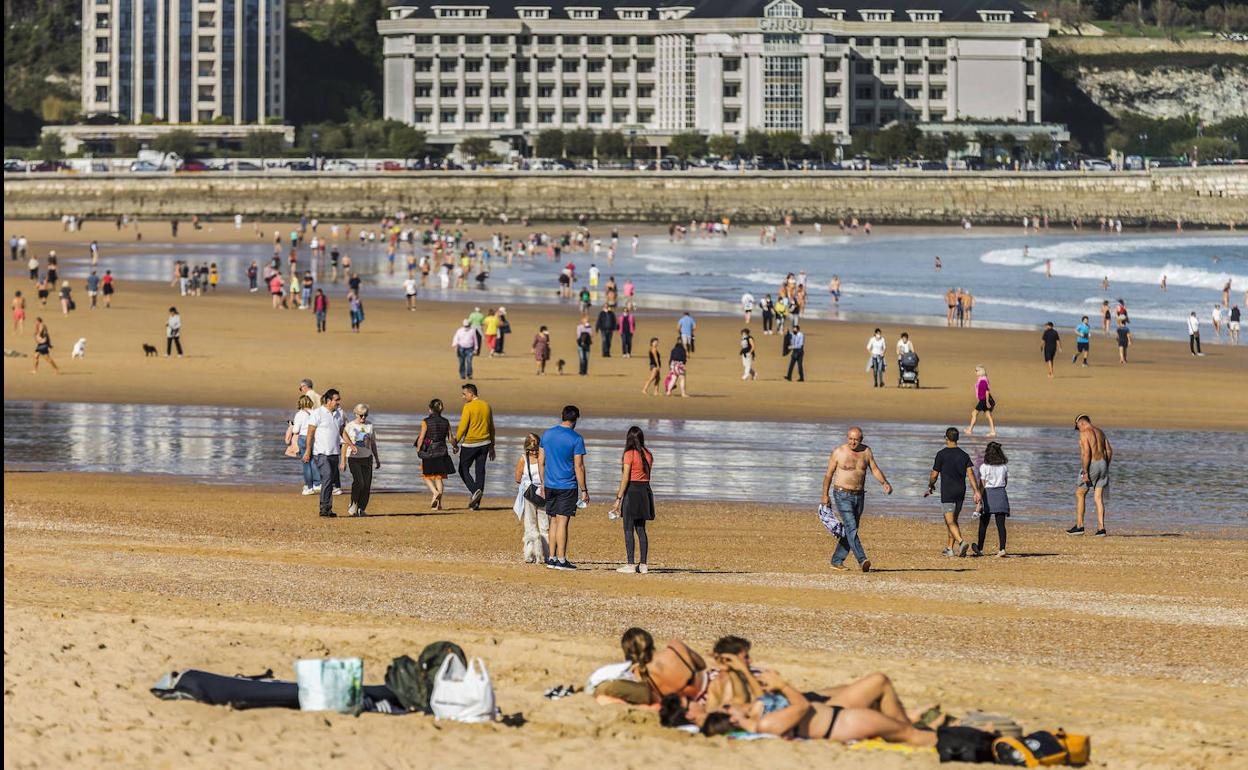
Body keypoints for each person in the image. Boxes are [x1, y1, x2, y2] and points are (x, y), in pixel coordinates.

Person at [821, 427, 893, 573]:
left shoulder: (866, 452)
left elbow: (875, 469)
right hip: (842, 494)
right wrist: (825, 495)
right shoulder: (839, 452)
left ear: (861, 439)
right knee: (851, 527)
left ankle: (836, 560)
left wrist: (884, 483)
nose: (853, 442)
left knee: (851, 529)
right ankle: (862, 560)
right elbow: (828, 474)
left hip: (859, 495)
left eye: (856, 439)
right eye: (850, 439)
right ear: (847, 438)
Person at [540, 405, 589, 570]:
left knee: (553, 520)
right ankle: (561, 559)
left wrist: (542, 482)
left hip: (549, 483)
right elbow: (579, 466)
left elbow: (541, 461)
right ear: (576, 419)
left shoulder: (547, 434)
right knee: (562, 522)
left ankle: (552, 558)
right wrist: (584, 490)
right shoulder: (576, 438)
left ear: (562, 416)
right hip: (566, 485)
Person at [927, 427, 980, 557]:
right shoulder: (964, 455)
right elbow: (971, 474)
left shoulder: (941, 454)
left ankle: (961, 542)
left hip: (948, 492)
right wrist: (976, 491)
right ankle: (949, 549)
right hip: (961, 492)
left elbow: (934, 475)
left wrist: (930, 485)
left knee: (949, 521)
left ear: (946, 438)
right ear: (957, 439)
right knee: (953, 521)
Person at [610, 426, 656, 574]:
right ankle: (643, 564)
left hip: (632, 491)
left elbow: (626, 478)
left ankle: (630, 564)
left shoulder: (629, 454)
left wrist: (618, 498)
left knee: (628, 529)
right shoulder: (648, 454)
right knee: (641, 529)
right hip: (645, 492)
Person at [453, 383, 495, 510]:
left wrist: (456, 441)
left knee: (462, 469)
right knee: (480, 471)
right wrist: (492, 445)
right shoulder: (486, 405)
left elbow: (463, 427)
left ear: (471, 393)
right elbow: (491, 427)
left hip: (471, 443)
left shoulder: (468, 407)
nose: (463, 397)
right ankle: (476, 503)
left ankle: (474, 491)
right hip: (485, 443)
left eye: (464, 394)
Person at [304, 389, 345, 518]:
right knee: (327, 478)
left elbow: (342, 432)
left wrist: (350, 445)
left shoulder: (339, 414)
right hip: (321, 453)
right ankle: (324, 508)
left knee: (330, 481)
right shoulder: (318, 413)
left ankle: (328, 509)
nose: (339, 402)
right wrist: (307, 451)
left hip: (335, 452)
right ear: (328, 401)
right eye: (336, 400)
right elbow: (310, 433)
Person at [1070, 414, 1113, 537]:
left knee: (1080, 493)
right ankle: (1101, 529)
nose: (1079, 430)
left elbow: (1087, 454)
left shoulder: (1084, 433)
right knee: (1098, 497)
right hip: (1103, 463)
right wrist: (1105, 466)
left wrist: (1085, 471)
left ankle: (1079, 526)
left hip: (1092, 465)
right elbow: (1109, 450)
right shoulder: (1100, 432)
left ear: (1081, 423)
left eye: (1078, 427)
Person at [513, 433, 550, 564]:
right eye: (532, 450)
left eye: (535, 449)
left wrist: (526, 480)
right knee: (543, 526)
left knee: (531, 525)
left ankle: (530, 555)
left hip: (529, 493)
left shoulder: (523, 459)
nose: (534, 452)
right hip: (543, 493)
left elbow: (517, 478)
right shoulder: (544, 458)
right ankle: (546, 554)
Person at [414, 398, 455, 510]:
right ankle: (438, 505)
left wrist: (418, 449)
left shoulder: (425, 421)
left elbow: (422, 437)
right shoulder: (446, 421)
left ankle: (435, 492)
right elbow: (451, 438)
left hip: (429, 452)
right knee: (439, 478)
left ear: (430, 409)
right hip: (442, 452)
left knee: (426, 476)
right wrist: (455, 446)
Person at [341, 403, 380, 517]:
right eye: (361, 415)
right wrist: (343, 461)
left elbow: (373, 443)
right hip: (354, 459)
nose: (363, 418)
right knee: (359, 482)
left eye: (365, 415)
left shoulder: (370, 425)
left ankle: (361, 508)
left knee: (367, 485)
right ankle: (353, 504)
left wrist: (377, 459)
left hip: (367, 458)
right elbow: (344, 444)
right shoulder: (350, 426)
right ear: (356, 413)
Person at [974, 441, 1010, 557]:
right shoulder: (1004, 467)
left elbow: (982, 483)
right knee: (1001, 524)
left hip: (988, 494)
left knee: (983, 523)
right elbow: (1006, 482)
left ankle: (980, 548)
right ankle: (1002, 548)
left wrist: (978, 494)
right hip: (1000, 493)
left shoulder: (984, 467)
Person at [285, 394, 322, 495]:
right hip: (314, 438)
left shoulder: (299, 414)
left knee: (306, 462)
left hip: (303, 438)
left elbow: (296, 430)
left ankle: (308, 487)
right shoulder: (315, 412)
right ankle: (318, 483)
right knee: (313, 461)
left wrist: (291, 426)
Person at [965, 365, 997, 436]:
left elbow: (987, 391)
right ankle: (993, 431)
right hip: (982, 399)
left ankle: (970, 429)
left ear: (980, 371)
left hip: (983, 399)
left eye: (976, 371)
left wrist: (987, 401)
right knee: (988, 415)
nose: (975, 372)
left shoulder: (983, 380)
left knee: (974, 413)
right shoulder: (981, 379)